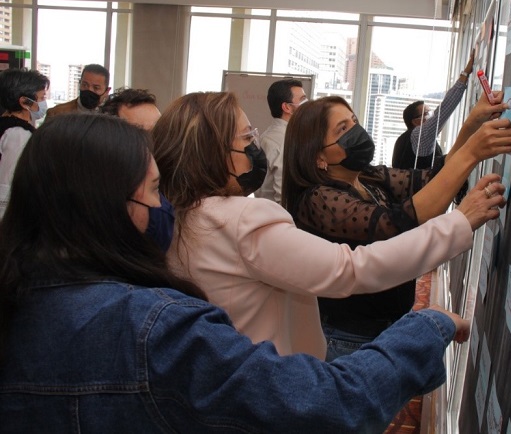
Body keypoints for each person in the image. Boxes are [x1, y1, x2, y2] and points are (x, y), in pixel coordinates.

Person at [0, 113, 472, 432]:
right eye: (152, 190)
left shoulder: (20, 300)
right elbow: (328, 404)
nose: (163, 206)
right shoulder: (155, 327)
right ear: (104, 207)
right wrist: (430, 325)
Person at [152, 91, 504, 359]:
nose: (256, 147)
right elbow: (351, 269)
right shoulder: (246, 218)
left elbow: (430, 180)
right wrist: (460, 222)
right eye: (247, 139)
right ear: (213, 155)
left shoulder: (186, 216)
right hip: (284, 366)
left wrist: (470, 130)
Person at [282, 94, 511, 361]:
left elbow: (432, 179)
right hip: (350, 340)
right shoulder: (319, 200)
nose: (356, 132)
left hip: (385, 327)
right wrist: (473, 152)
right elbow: (400, 221)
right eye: (343, 129)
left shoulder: (368, 177)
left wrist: (471, 124)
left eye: (353, 121)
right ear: (317, 156)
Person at [100, 86, 173, 252]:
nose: (154, 142)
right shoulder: (112, 198)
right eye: (142, 135)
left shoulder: (177, 182)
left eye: (159, 132)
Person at [392, 50, 475, 169]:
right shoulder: (419, 136)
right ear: (416, 121)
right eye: (427, 113)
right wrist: (466, 73)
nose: (431, 116)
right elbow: (445, 109)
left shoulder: (406, 140)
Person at [0, 68, 50, 218]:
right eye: (41, 98)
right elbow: (7, 185)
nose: (43, 104)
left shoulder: (5, 124)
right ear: (24, 102)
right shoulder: (18, 134)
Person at [254, 78, 307, 203]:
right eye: (303, 100)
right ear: (287, 107)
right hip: (278, 215)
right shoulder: (282, 141)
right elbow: (284, 194)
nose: (307, 104)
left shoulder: (281, 134)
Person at [46, 63, 110, 118]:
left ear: (107, 91)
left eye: (96, 88)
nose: (89, 90)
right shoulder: (56, 113)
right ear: (80, 83)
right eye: (85, 85)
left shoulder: (112, 116)